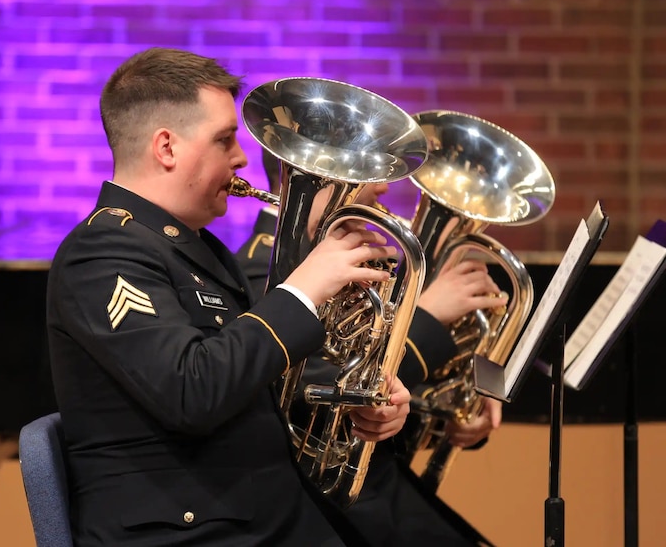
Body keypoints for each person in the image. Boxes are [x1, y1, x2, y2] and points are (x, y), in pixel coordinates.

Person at [46, 47, 414, 547]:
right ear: (167, 148)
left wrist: (356, 399)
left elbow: (252, 384)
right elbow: (191, 392)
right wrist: (303, 289)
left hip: (257, 513)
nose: (242, 158)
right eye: (224, 141)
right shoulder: (101, 252)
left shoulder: (194, 248)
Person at [235, 150, 505, 546]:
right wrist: (428, 317)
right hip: (326, 511)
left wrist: (464, 403)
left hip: (383, 498)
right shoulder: (255, 274)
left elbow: (398, 405)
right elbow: (313, 396)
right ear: (319, 175)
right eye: (368, 172)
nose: (383, 186)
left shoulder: (367, 269)